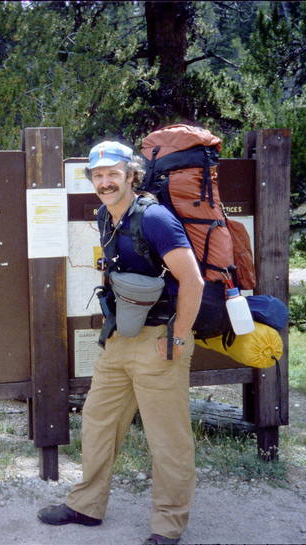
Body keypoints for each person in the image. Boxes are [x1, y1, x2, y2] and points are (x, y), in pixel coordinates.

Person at [37, 141, 204, 545]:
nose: (105, 182)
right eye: (98, 175)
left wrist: (178, 336)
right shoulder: (105, 215)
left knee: (167, 439)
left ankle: (167, 526)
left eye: (113, 174)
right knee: (98, 422)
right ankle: (86, 505)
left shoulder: (156, 219)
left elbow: (193, 281)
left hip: (161, 339)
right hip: (121, 339)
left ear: (131, 175)